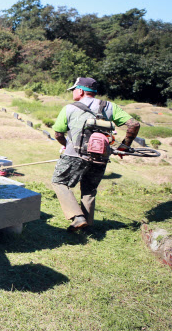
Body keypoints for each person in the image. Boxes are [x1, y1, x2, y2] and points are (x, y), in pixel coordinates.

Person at [51, 77, 140, 231]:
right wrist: (125, 146)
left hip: (75, 155)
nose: (73, 92)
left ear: (80, 90)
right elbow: (134, 124)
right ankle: (87, 226)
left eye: (74, 89)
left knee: (59, 182)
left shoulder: (69, 108)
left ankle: (77, 217)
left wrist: (67, 146)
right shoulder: (110, 106)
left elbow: (58, 134)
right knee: (89, 190)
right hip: (101, 156)